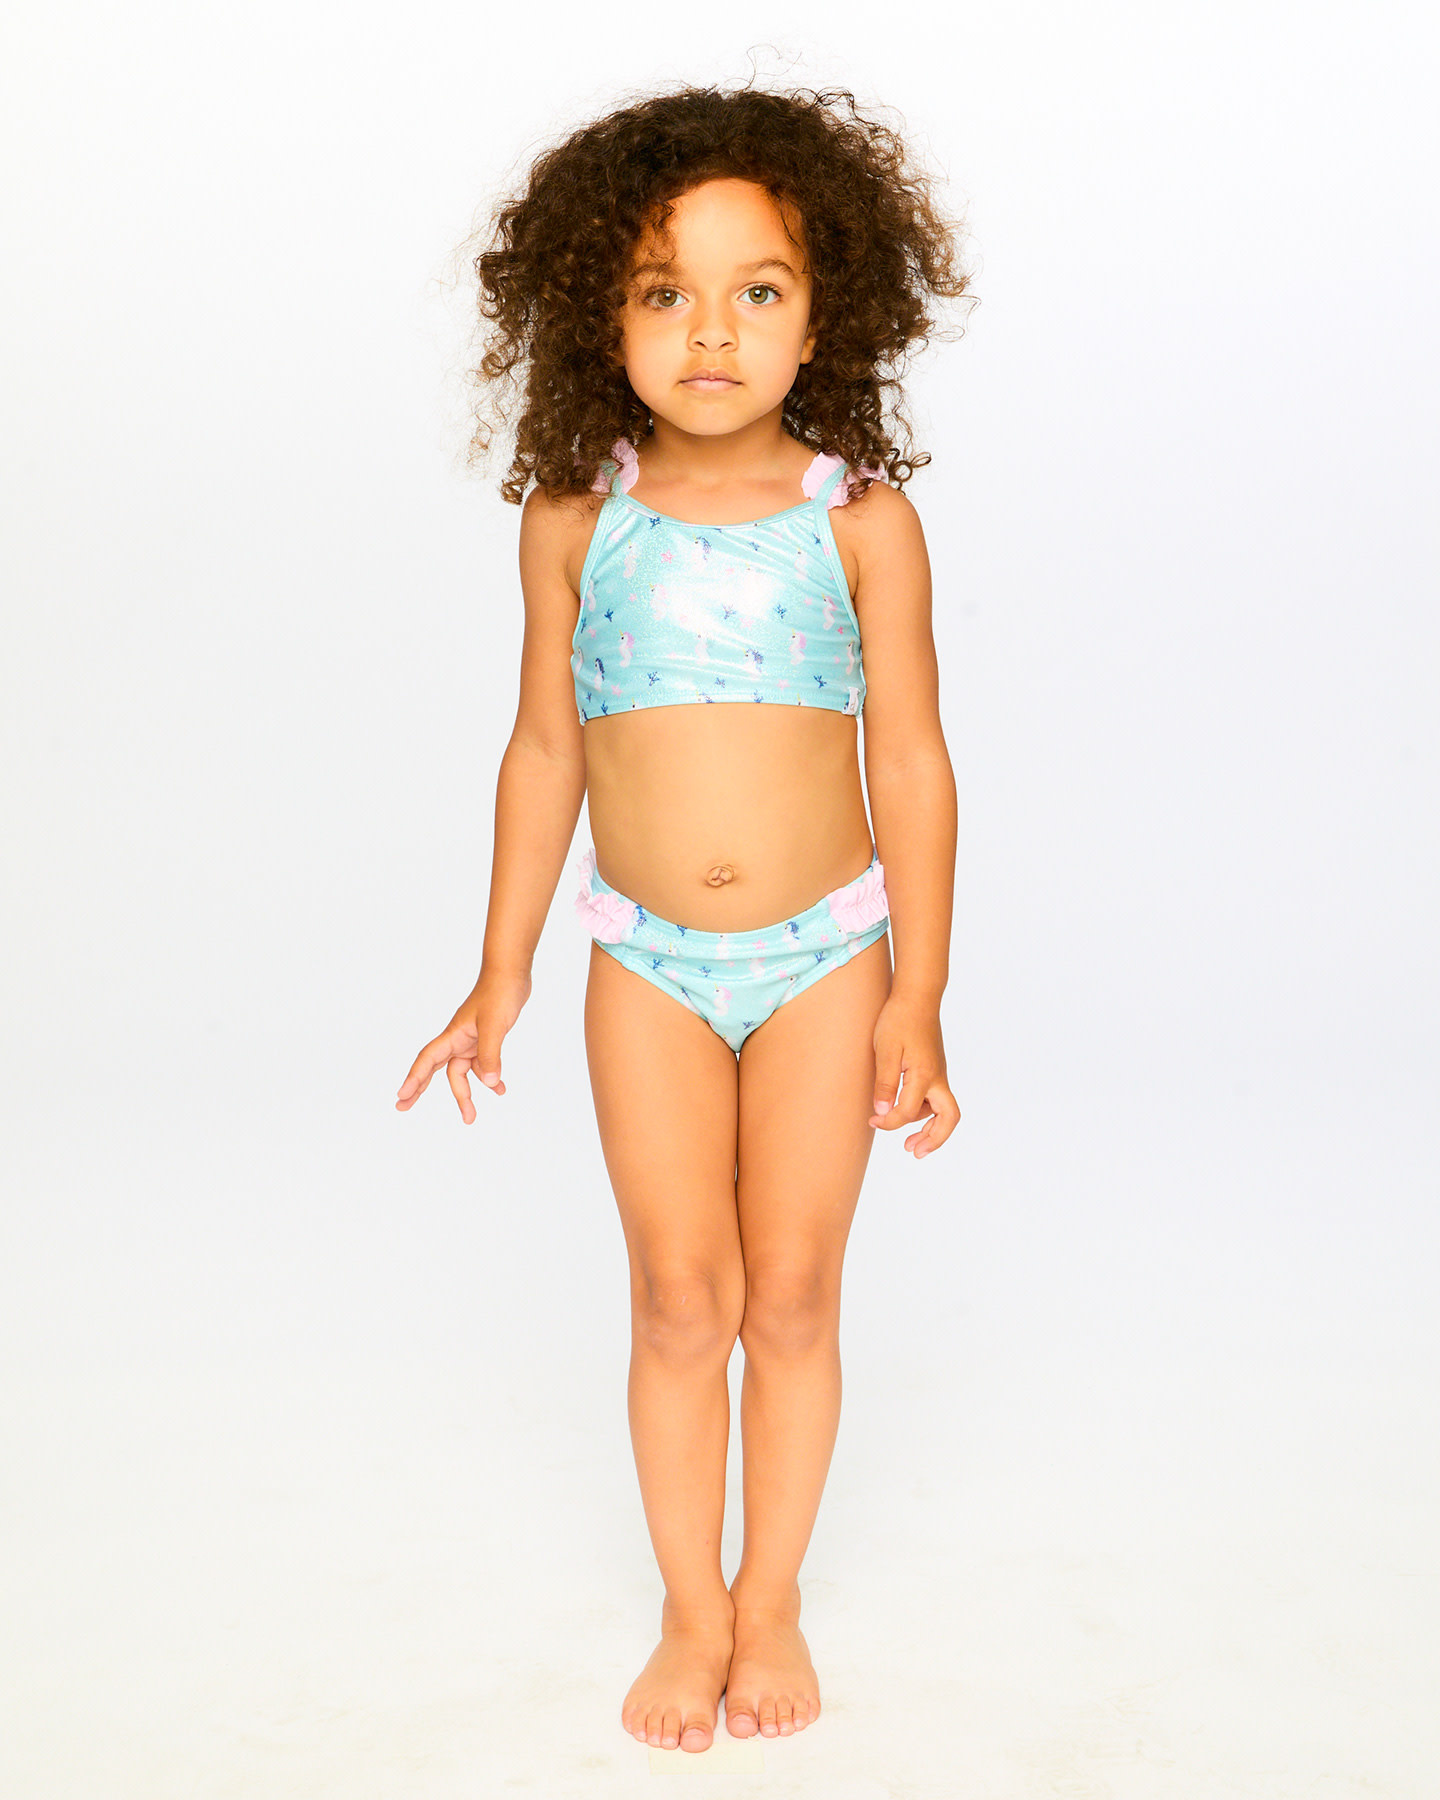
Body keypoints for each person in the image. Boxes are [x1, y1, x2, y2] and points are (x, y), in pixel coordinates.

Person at [396, 81, 970, 1756]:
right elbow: (543, 749)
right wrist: (499, 971)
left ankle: (769, 1594)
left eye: (757, 290)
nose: (712, 331)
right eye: (666, 291)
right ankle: (688, 1605)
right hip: (642, 959)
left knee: (790, 1292)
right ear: (604, 315)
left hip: (826, 957)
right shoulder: (578, 521)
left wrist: (919, 993)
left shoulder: (860, 524)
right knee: (675, 1295)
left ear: (823, 314)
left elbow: (913, 760)